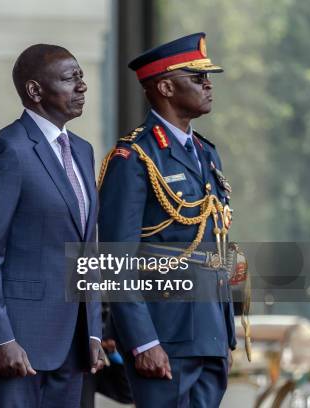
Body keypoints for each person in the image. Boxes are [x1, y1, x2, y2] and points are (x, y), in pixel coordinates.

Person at [0, 44, 105, 408]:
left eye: (82, 77)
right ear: (35, 91)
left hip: (73, 344)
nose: (82, 86)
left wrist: (94, 331)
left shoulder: (83, 151)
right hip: (18, 345)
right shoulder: (8, 150)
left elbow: (87, 248)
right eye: (71, 79)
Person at [98, 33, 236, 407]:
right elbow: (114, 260)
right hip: (164, 337)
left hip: (209, 333)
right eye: (197, 78)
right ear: (165, 87)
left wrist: (226, 330)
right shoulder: (134, 158)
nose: (208, 85)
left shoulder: (206, 153)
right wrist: (143, 341)